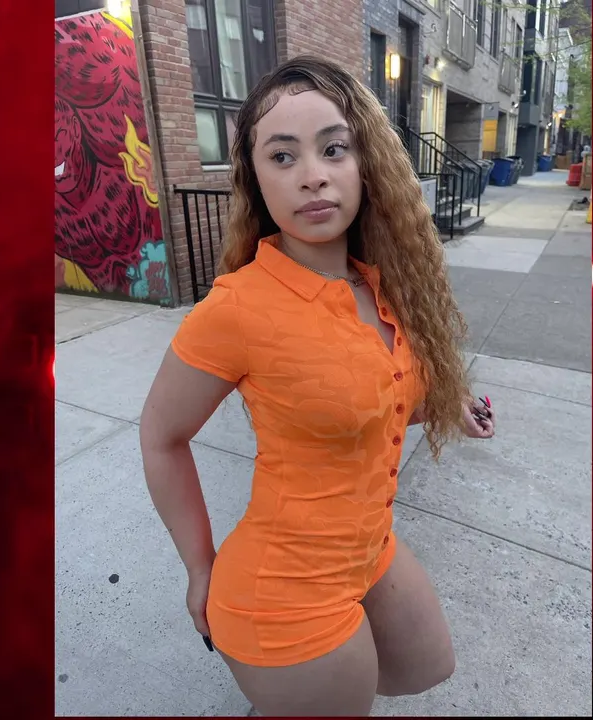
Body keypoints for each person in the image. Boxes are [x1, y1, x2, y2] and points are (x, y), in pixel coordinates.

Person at [139, 55, 496, 716]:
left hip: (370, 548)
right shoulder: (237, 308)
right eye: (282, 156)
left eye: (334, 149)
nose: (313, 175)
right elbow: (161, 436)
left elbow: (374, 401)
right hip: (284, 588)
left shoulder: (378, 282)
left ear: (365, 163)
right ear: (256, 180)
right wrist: (198, 567)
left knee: (429, 663)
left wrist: (448, 407)